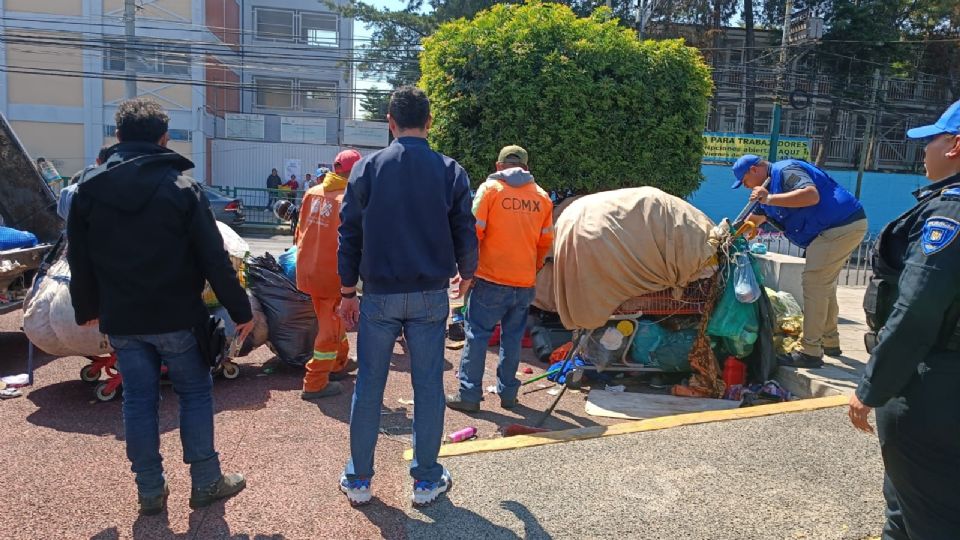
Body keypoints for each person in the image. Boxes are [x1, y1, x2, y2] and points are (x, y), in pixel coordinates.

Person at [67, 98, 253, 515]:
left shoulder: (87, 190)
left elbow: (78, 257)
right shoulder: (182, 188)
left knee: (137, 399)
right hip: (178, 316)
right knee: (194, 393)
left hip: (122, 317)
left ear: (117, 137)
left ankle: (149, 489)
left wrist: (87, 308)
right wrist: (241, 310)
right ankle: (206, 481)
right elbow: (213, 258)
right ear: (163, 138)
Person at [336, 86, 478, 507]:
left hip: (378, 294)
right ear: (430, 122)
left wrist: (348, 291)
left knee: (369, 386)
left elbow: (350, 234)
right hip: (431, 294)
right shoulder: (450, 171)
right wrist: (467, 274)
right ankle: (425, 480)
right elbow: (464, 230)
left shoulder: (366, 169)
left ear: (390, 123)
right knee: (428, 386)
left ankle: (359, 479)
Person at [850, 100, 960, 539]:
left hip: (932, 384)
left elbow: (917, 310)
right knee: (908, 506)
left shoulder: (949, 213)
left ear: (954, 145)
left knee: (928, 516)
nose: (923, 151)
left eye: (930, 140)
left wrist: (873, 386)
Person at [732, 154, 867, 368]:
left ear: (754, 170)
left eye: (745, 182)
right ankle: (829, 341)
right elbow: (754, 219)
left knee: (814, 283)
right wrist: (738, 234)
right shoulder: (766, 189)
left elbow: (810, 195)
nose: (747, 187)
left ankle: (810, 352)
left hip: (839, 226)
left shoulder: (786, 170)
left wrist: (769, 199)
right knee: (824, 285)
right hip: (831, 230)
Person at [446, 145, 553, 412]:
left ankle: (469, 396)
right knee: (512, 339)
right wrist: (532, 269)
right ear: (526, 167)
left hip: (490, 279)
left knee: (477, 335)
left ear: (498, 166)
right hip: (524, 282)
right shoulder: (542, 198)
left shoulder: (490, 190)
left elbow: (474, 234)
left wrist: (466, 272)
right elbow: (545, 244)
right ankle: (508, 395)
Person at [295, 149, 362, 400]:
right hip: (331, 275)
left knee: (331, 319)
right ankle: (315, 381)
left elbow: (299, 231)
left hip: (308, 270)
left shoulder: (312, 192)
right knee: (331, 327)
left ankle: (339, 362)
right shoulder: (349, 199)